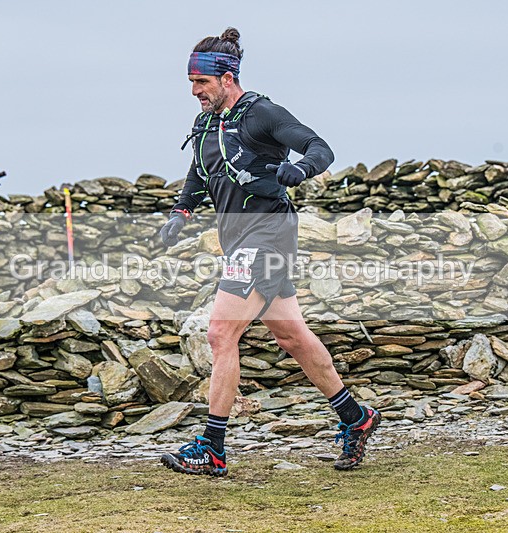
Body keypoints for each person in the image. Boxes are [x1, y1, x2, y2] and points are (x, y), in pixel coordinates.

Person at [159, 28, 380, 476]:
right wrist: (181, 212)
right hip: (241, 239)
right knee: (291, 336)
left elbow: (321, 147)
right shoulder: (207, 124)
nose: (194, 92)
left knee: (221, 333)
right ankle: (357, 418)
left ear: (227, 77)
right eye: (190, 84)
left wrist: (298, 169)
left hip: (270, 233)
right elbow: (199, 173)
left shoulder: (262, 114)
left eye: (201, 83)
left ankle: (212, 447)